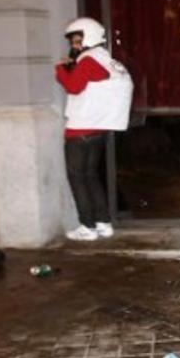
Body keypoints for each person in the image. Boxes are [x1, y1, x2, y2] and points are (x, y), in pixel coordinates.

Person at [56, 17, 133, 241]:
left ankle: (87, 226)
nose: (74, 46)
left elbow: (73, 85)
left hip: (79, 130)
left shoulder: (89, 60)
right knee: (91, 177)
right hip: (98, 130)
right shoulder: (108, 60)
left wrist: (61, 69)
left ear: (88, 36)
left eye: (77, 40)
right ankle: (103, 223)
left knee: (78, 178)